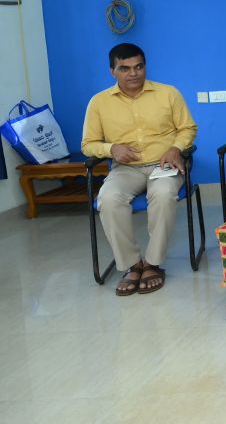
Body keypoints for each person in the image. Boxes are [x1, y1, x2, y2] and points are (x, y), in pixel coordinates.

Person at [81, 43, 197, 296]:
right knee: (108, 199)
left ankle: (153, 264)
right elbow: (88, 144)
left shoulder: (168, 93)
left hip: (164, 164)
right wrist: (111, 149)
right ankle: (132, 265)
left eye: (139, 66)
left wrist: (175, 148)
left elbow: (188, 128)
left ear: (145, 66)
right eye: (125, 68)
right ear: (112, 71)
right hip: (126, 169)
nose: (133, 73)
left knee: (163, 194)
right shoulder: (99, 102)